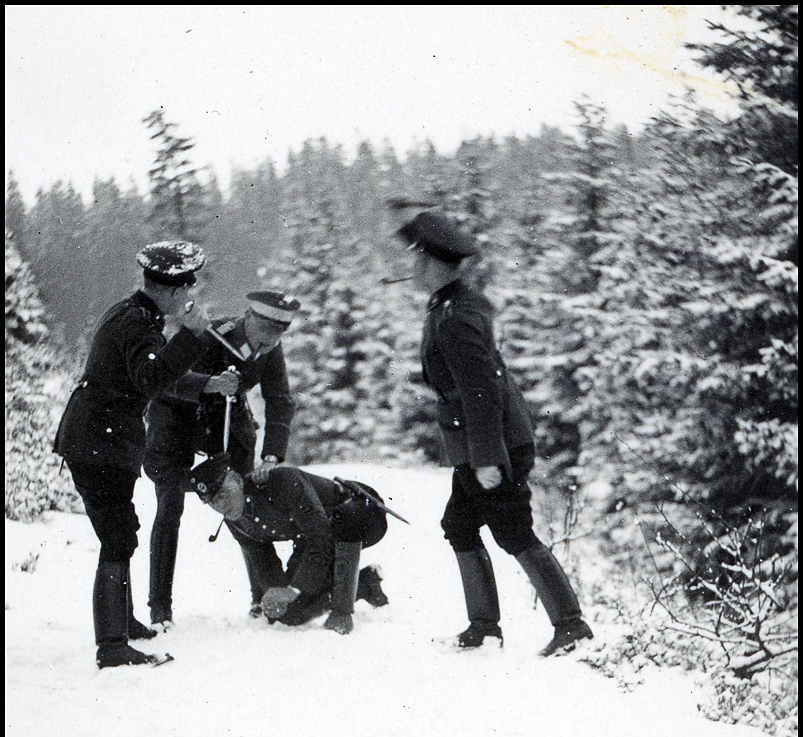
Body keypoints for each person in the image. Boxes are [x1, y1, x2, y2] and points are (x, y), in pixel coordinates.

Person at [393, 207, 594, 655]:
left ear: (431, 264)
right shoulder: (454, 306)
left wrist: (488, 458)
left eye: (416, 260)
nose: (411, 269)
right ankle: (483, 628)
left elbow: (481, 390)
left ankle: (571, 627)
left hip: (493, 445)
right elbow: (467, 377)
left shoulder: (455, 317)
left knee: (513, 531)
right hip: (481, 442)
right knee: (459, 524)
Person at [54, 240, 211, 668]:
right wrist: (192, 334)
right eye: (188, 286)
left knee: (122, 527)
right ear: (176, 291)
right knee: (118, 535)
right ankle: (112, 645)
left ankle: (123, 623)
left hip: (97, 438)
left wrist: (203, 383)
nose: (191, 292)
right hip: (100, 441)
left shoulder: (130, 313)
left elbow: (148, 376)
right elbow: (149, 376)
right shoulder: (141, 326)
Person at [143, 291, 298, 628]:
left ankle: (262, 599)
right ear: (248, 319)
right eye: (260, 339)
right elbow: (162, 381)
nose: (264, 348)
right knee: (169, 509)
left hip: (227, 423)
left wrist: (272, 455)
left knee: (245, 508)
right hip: (176, 423)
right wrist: (209, 385)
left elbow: (280, 399)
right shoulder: (209, 335)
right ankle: (160, 609)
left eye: (273, 341)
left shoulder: (270, 348)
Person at [184, 454, 389, 635]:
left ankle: (342, 611)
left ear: (237, 480)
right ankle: (364, 584)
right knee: (289, 615)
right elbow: (262, 561)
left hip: (362, 512)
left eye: (222, 494)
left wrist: (294, 589)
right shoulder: (233, 519)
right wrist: (276, 593)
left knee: (342, 522)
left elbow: (321, 539)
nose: (219, 505)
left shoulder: (281, 481)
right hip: (311, 536)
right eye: (211, 502)